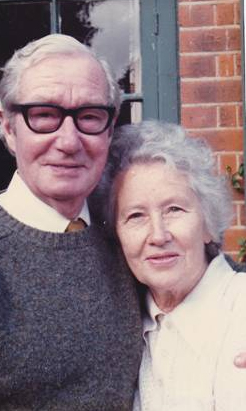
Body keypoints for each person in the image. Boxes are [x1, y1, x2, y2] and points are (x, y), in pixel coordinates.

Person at [0, 34, 142, 410]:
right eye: (44, 116)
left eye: (89, 116)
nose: (69, 141)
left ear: (110, 128)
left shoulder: (132, 233)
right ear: (7, 126)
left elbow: (211, 284)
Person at [99, 120, 246, 410]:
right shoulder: (121, 325)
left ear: (207, 224)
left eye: (174, 210)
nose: (158, 235)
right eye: (136, 216)